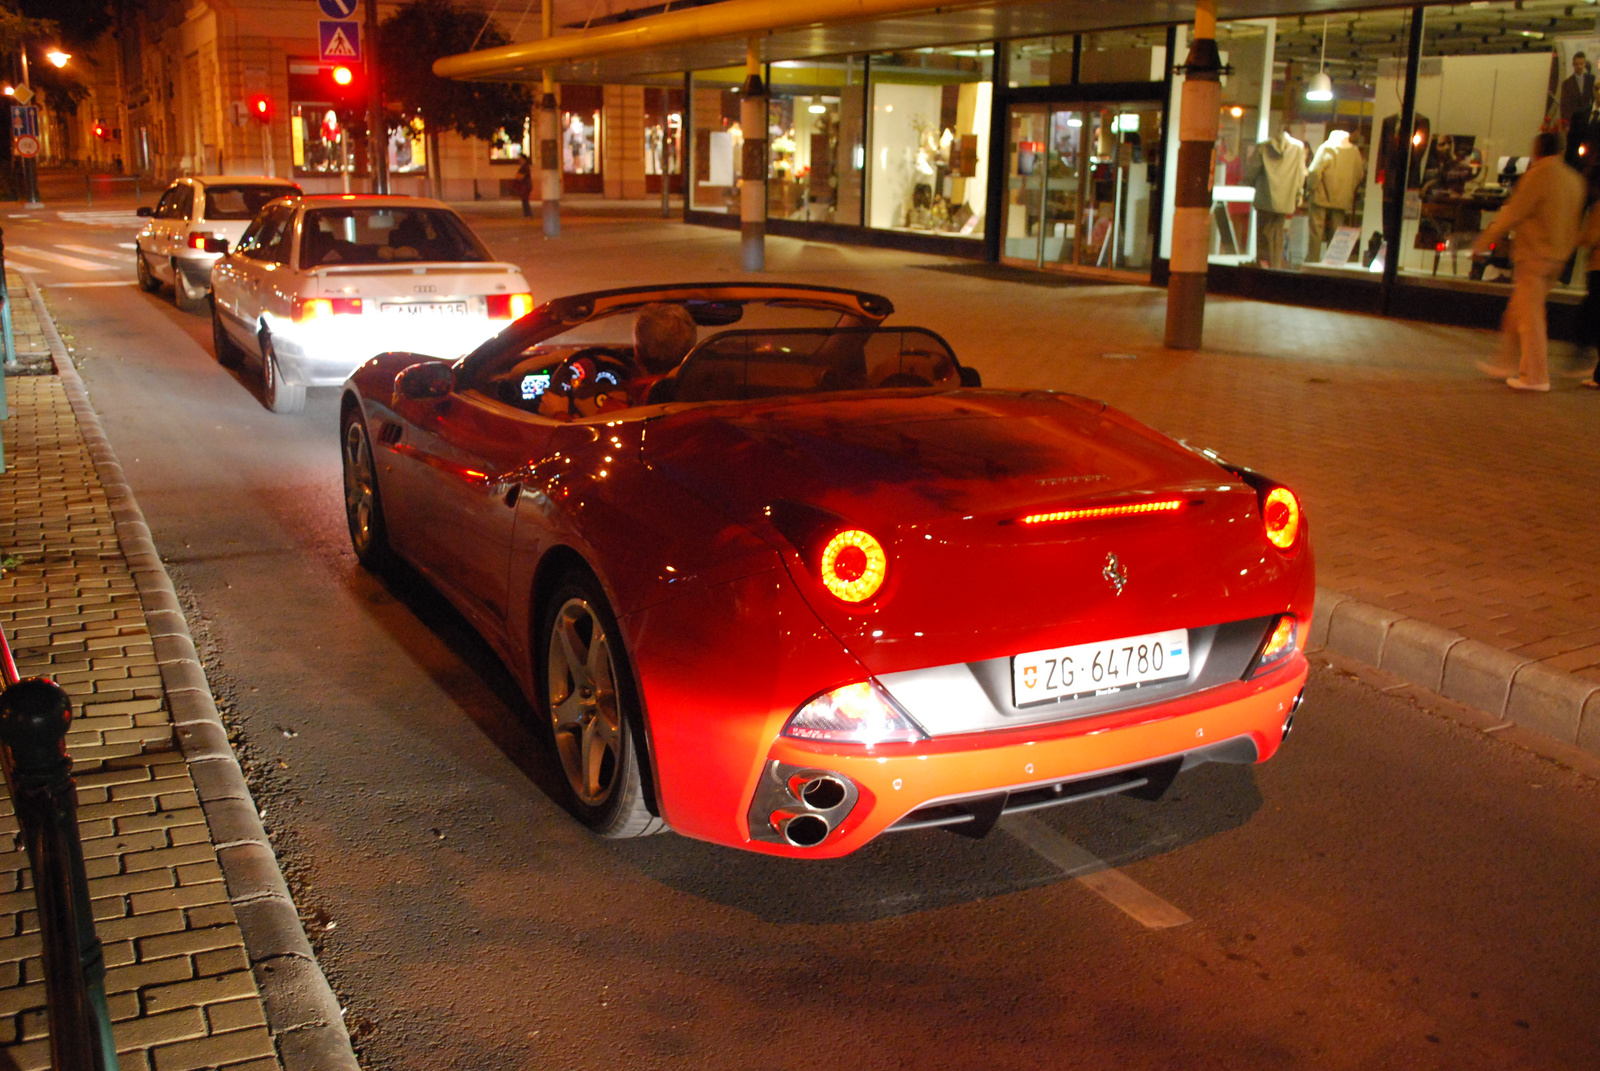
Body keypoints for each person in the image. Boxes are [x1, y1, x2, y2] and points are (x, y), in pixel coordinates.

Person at [1471, 131, 1585, 392]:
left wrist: (1484, 240)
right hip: (1558, 257)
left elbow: (1513, 213)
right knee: (1518, 310)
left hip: (1535, 255)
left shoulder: (1539, 175)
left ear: (1537, 150)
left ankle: (1535, 376)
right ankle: (1506, 362)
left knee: (1530, 317)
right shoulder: (1574, 179)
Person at [1561, 53, 1596, 166]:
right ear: (1573, 65)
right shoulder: (1567, 83)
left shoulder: (1591, 80)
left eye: (1581, 64)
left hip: (1588, 121)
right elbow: (1564, 105)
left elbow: (1595, 100)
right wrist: (1566, 124)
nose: (1579, 66)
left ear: (1585, 64)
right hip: (1574, 122)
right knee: (1575, 149)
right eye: (1577, 64)